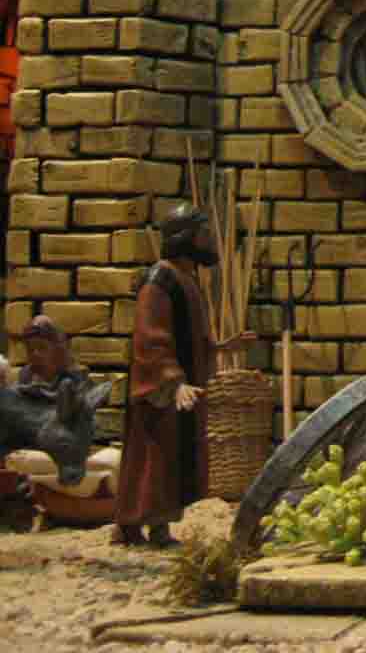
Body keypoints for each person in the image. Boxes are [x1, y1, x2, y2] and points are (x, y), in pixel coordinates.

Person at [114, 203, 255, 547]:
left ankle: (157, 527)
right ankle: (133, 527)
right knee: (153, 459)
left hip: (180, 388)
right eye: (203, 234)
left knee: (171, 461)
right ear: (185, 238)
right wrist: (174, 381)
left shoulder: (186, 279)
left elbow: (189, 337)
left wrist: (220, 347)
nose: (209, 240)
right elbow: (151, 338)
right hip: (161, 390)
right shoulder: (160, 280)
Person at [14, 315, 85, 403]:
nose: (35, 354)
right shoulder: (26, 375)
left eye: (42, 347)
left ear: (58, 351)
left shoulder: (75, 377)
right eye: (30, 349)